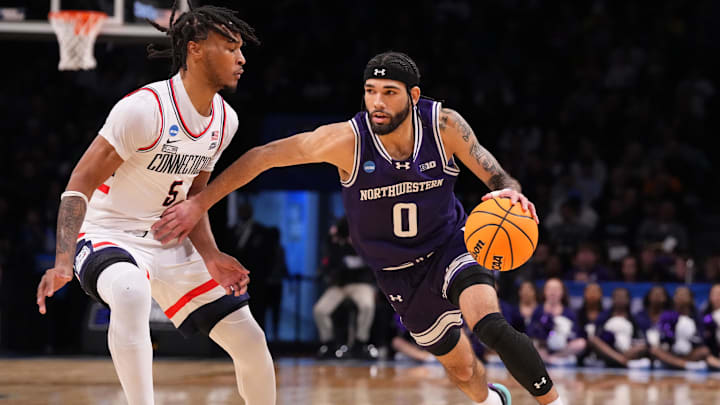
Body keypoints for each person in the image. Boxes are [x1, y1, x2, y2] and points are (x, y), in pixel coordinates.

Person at [153, 51, 565, 405]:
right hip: (397, 273)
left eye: (388, 93)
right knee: (461, 370)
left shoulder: (444, 127)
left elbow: (499, 178)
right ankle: (492, 399)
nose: (377, 102)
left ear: (413, 96)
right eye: (370, 91)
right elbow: (263, 157)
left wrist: (512, 194)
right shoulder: (346, 140)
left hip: (449, 245)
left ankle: (554, 400)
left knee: (490, 325)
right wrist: (198, 203)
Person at [34, 4, 276, 405]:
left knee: (249, 337)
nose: (242, 58)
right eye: (231, 47)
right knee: (130, 292)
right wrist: (63, 261)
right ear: (195, 50)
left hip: (169, 240)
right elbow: (79, 182)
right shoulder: (144, 109)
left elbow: (194, 201)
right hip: (109, 234)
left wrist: (211, 255)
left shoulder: (225, 120)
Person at [314, 216, 377, 360]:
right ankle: (328, 344)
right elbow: (330, 262)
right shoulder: (334, 240)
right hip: (339, 284)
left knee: (367, 306)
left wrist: (356, 243)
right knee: (320, 310)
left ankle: (360, 343)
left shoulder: (364, 237)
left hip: (361, 283)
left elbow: (370, 261)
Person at [527, 278, 586, 366]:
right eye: (550, 289)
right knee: (530, 343)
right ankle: (545, 358)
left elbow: (576, 333)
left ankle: (556, 357)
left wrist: (564, 337)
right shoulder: (538, 310)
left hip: (562, 347)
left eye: (556, 289)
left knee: (581, 343)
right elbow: (530, 332)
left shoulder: (569, 312)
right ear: (544, 292)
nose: (553, 292)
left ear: (562, 293)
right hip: (543, 346)